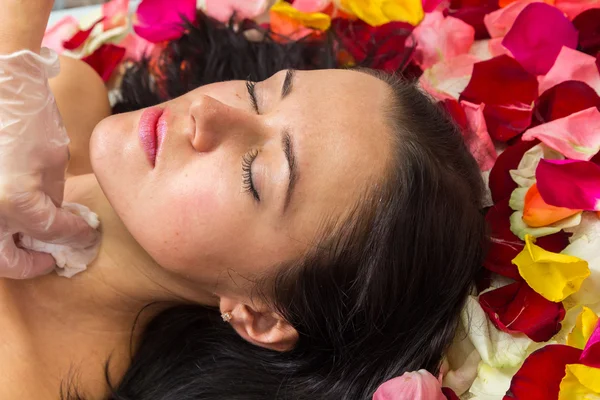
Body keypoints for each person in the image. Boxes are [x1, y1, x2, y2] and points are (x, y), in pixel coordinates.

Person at [0, 2, 487, 399]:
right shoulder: (60, 89)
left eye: (256, 175)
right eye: (259, 94)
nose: (206, 111)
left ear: (263, 316)